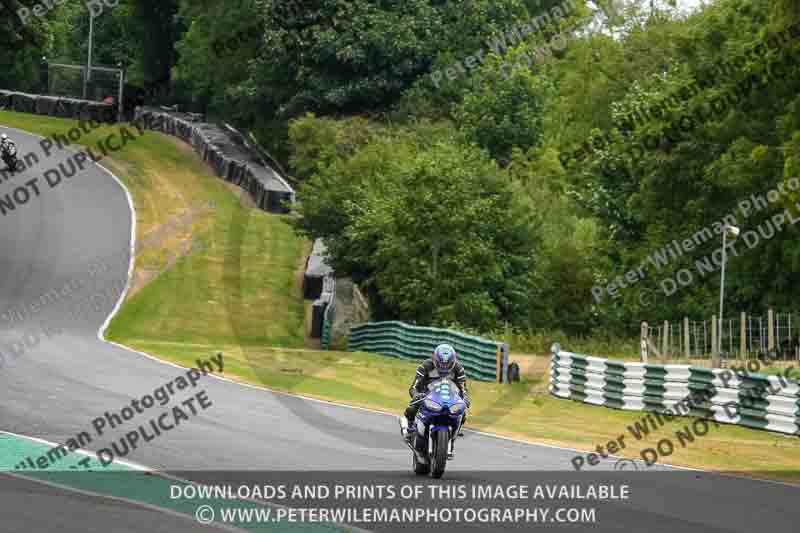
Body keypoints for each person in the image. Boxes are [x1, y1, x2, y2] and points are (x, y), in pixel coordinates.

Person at [403, 343, 470, 444]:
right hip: (427, 395)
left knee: (463, 413)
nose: (444, 367)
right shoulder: (425, 366)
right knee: (411, 409)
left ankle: (455, 432)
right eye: (441, 364)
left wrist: (465, 398)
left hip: (449, 397)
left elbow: (463, 388)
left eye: (447, 364)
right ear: (435, 360)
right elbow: (413, 387)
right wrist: (416, 395)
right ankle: (410, 428)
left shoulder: (458, 369)